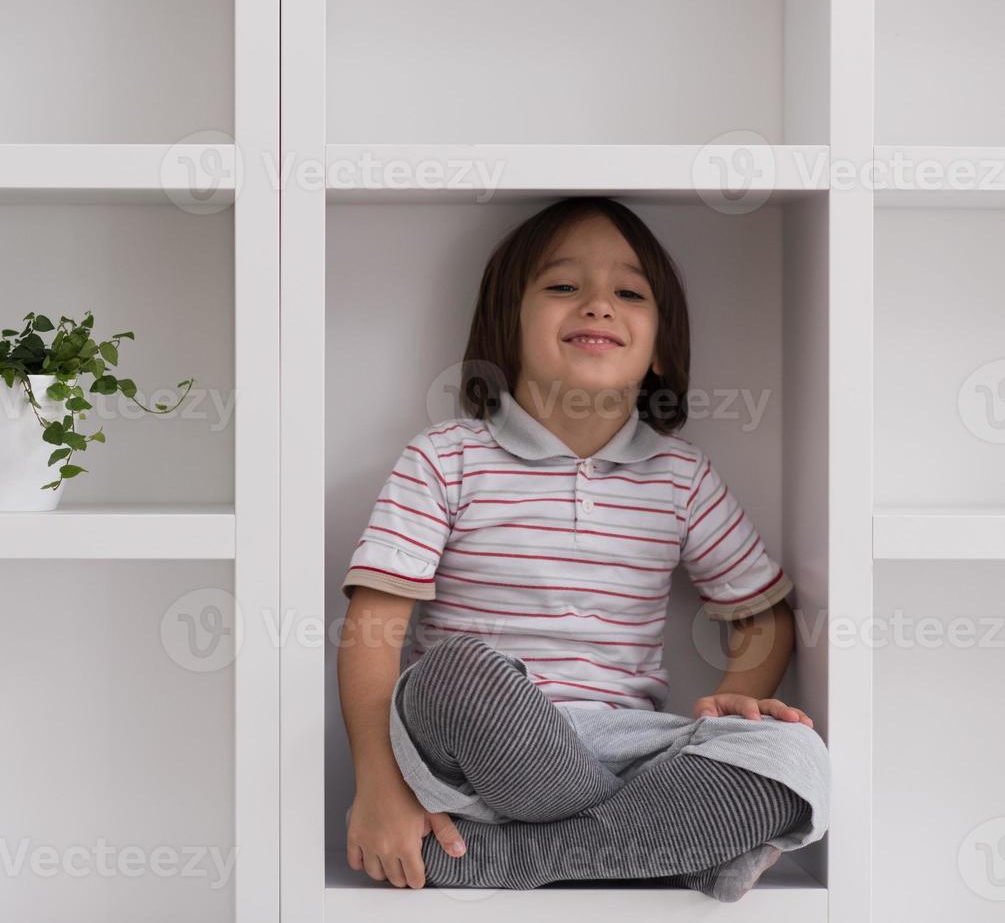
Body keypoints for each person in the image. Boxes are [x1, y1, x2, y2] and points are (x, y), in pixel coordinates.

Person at [337, 197, 829, 901]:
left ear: (659, 345)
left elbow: (763, 617)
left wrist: (733, 703)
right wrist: (377, 787)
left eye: (628, 293)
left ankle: (519, 859)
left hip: (625, 750)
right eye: (564, 286)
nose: (598, 305)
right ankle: (661, 848)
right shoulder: (445, 459)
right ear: (506, 324)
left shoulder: (678, 476)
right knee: (453, 671)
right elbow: (373, 626)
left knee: (795, 757)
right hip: (471, 756)